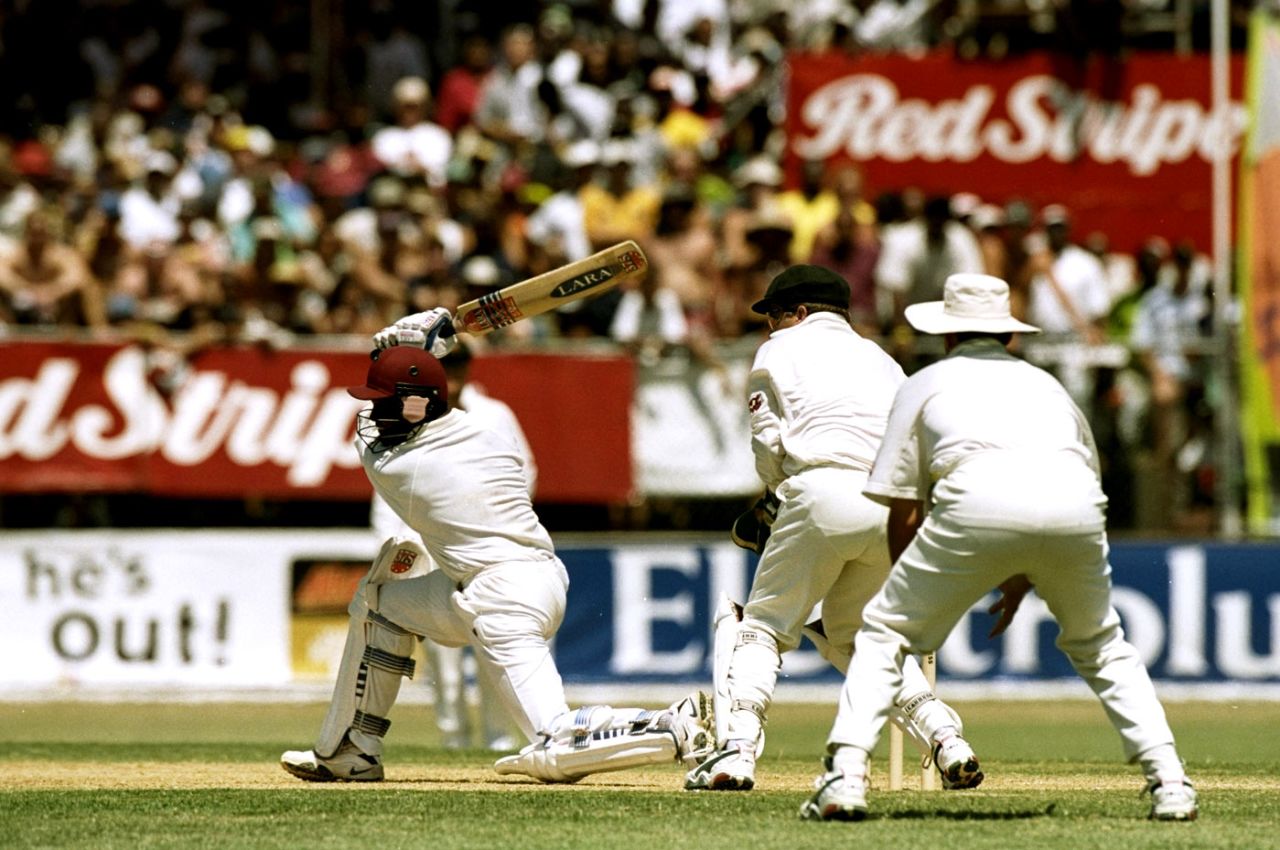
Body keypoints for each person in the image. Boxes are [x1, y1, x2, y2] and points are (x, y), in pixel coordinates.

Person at [801, 273, 1198, 822]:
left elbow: (904, 507)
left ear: (946, 336)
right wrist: (1023, 571)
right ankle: (1171, 783)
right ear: (1009, 337)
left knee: (883, 634)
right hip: (1077, 508)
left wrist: (907, 593)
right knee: (1104, 646)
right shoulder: (1048, 386)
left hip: (974, 501)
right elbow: (1077, 482)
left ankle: (843, 779)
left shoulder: (924, 383)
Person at [281, 319, 713, 784]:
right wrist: (419, 354)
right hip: (513, 580)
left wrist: (398, 348)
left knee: (554, 748)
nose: (374, 411)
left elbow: (364, 433)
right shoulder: (484, 433)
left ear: (414, 406)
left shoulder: (403, 465)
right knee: (380, 604)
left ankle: (673, 725)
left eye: (383, 401)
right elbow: (416, 406)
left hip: (504, 596)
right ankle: (351, 750)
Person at [683, 265, 981, 793]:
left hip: (821, 488)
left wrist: (775, 496)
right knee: (861, 636)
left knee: (764, 627)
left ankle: (737, 753)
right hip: (892, 503)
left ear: (799, 312)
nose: (769, 327)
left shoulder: (781, 349)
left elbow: (767, 438)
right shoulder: (884, 360)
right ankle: (947, 739)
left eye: (773, 316)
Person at [367, 341, 532, 752]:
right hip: (430, 556)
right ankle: (453, 740)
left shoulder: (494, 414)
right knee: (445, 663)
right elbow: (387, 503)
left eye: (459, 367)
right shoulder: (408, 417)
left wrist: (488, 525)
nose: (454, 377)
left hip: (484, 552)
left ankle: (498, 739)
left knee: (496, 647)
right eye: (446, 369)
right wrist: (407, 559)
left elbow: (523, 475)